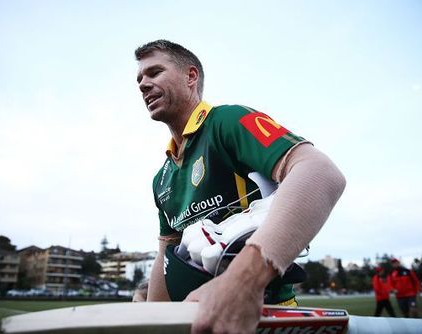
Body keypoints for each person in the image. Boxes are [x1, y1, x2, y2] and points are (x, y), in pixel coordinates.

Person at [135, 39, 346, 334]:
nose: (143, 84)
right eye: (140, 79)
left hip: (263, 316)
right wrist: (150, 317)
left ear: (190, 76)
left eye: (154, 72)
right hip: (200, 319)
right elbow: (166, 255)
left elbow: (321, 172)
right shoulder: (162, 177)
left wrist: (242, 282)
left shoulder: (226, 121)